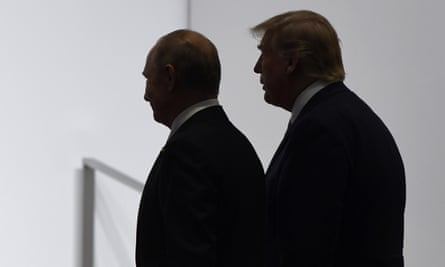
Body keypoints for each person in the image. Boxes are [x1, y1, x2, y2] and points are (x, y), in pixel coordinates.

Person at [251, 10, 406, 267]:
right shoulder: (347, 116)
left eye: (264, 54)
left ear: (291, 62)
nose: (256, 67)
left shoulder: (320, 128)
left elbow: (305, 245)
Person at [135, 29, 265, 267]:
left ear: (169, 77)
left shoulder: (186, 152)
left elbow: (188, 255)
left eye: (148, 79)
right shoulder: (238, 143)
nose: (146, 94)